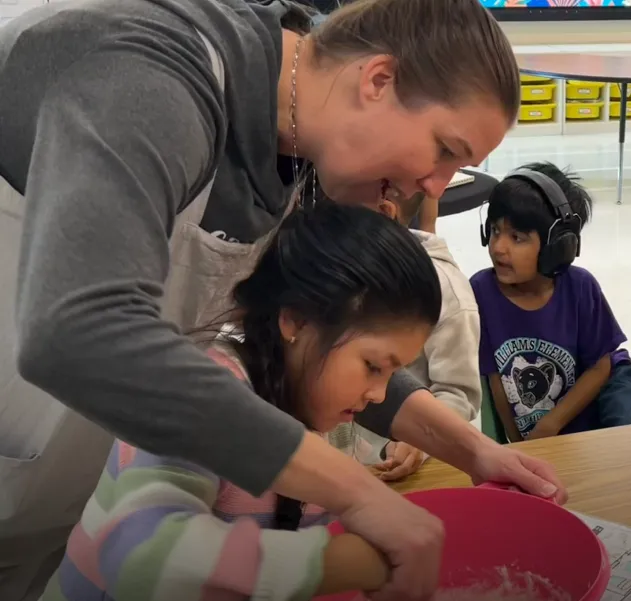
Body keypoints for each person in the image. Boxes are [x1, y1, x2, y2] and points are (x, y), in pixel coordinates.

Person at [0, 0, 565, 599]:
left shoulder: (303, 148)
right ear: (378, 80)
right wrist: (357, 492)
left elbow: (341, 342)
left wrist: (473, 451)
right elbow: (77, 333)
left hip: (89, 468)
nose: (435, 186)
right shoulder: (153, 76)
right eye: (445, 150)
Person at [45, 203, 441, 600]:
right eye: (373, 366)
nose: (379, 395)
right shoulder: (202, 397)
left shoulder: (318, 410)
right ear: (298, 321)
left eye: (393, 372)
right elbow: (142, 562)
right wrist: (358, 562)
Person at [472, 163, 631, 442]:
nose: (499, 247)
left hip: (604, 380)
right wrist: (518, 444)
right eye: (495, 231)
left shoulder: (580, 287)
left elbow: (600, 366)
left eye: (517, 237)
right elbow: (495, 376)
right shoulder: (481, 292)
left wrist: (551, 424)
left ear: (558, 245)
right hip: (546, 420)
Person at [365, 189, 482, 481]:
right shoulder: (346, 272)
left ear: (383, 211)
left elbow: (458, 394)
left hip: (401, 468)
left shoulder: (447, 294)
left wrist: (418, 442)